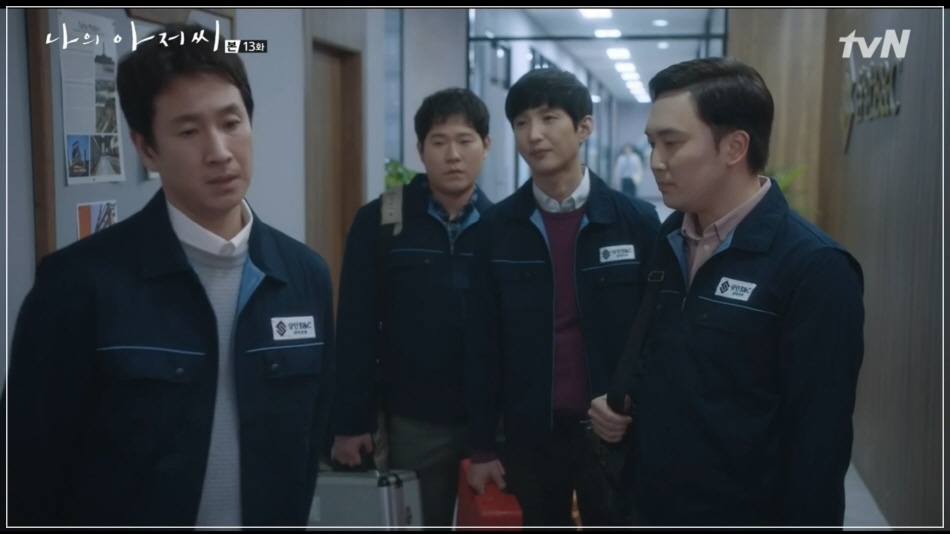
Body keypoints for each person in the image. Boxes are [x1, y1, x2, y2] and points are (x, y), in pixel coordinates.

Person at [4, 23, 335, 527]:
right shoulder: (78, 284)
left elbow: (308, 449)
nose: (219, 151)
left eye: (232, 122)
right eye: (188, 131)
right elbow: (26, 470)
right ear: (146, 148)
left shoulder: (304, 276)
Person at [588, 57, 865, 526]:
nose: (655, 162)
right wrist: (627, 397)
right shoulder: (669, 238)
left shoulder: (814, 268)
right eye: (652, 144)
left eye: (672, 143)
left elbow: (819, 448)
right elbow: (669, 354)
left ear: (735, 146)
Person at [464, 68, 661, 527]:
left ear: (584, 126)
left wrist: (632, 402)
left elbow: (656, 330)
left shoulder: (635, 222)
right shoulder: (494, 230)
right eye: (521, 123)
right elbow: (481, 345)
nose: (534, 134)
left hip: (615, 430)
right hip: (530, 435)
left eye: (549, 118)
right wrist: (482, 446)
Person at [331, 88, 494, 527]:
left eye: (465, 140)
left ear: (486, 146)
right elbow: (355, 327)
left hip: (491, 422)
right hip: (414, 420)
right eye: (439, 142)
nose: (453, 155)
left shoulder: (503, 227)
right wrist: (349, 421)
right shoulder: (380, 221)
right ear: (420, 149)